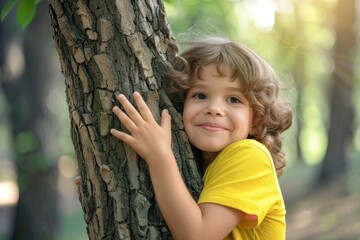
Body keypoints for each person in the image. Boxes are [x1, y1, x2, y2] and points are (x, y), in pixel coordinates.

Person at [78, 36, 292, 239]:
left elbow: (197, 236)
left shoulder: (250, 156)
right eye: (200, 95)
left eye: (234, 99)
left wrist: (159, 156)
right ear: (180, 107)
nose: (215, 108)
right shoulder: (201, 163)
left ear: (256, 118)